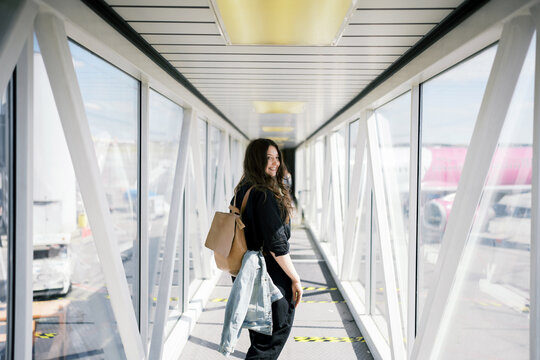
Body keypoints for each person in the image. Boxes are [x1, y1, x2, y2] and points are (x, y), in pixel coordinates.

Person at [231, 138, 302, 359]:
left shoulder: (243, 189)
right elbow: (277, 246)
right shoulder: (264, 194)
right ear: (255, 160)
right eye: (268, 158)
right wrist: (295, 278)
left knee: (260, 334)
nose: (275, 163)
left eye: (277, 157)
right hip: (268, 277)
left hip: (248, 273)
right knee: (272, 337)